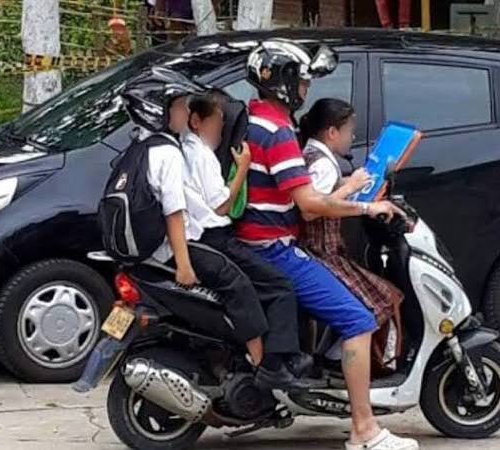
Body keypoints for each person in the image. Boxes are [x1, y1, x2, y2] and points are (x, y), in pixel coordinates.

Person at [237, 40, 419, 450]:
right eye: (302, 81)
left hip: (252, 243)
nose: (305, 89)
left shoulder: (253, 119)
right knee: (358, 321)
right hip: (273, 248)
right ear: (283, 82)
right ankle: (364, 430)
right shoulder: (278, 131)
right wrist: (366, 207)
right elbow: (310, 204)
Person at [125, 72, 307, 389]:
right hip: (204, 239)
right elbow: (182, 211)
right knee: (270, 285)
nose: (183, 112)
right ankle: (269, 365)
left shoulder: (147, 145)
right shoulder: (176, 153)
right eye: (178, 106)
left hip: (174, 245)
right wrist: (183, 264)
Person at [180, 91, 311, 388]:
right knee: (279, 286)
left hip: (204, 238)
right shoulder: (201, 155)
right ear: (197, 121)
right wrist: (242, 167)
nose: (219, 132)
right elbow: (222, 206)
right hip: (215, 237)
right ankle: (273, 364)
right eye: (216, 124)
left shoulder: (185, 150)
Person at [299, 98, 404, 369]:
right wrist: (352, 189)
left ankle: (334, 355)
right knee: (382, 298)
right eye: (348, 131)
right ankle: (340, 361)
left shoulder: (312, 154)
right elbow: (314, 208)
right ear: (332, 132)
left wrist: (353, 183)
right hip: (322, 253)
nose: (352, 137)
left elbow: (323, 191)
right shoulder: (322, 164)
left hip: (320, 250)